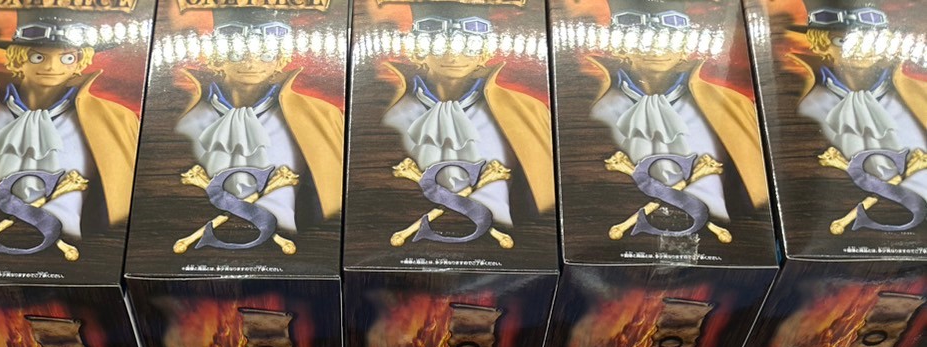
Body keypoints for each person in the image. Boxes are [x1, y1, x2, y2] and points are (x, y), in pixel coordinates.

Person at [584, 0, 769, 229]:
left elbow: (755, 193)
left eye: (669, 33)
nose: (656, 46)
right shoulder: (591, 108)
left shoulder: (732, 105)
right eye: (641, 35)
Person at [381, 2, 555, 230]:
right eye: (439, 44)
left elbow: (542, 198)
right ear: (418, 47)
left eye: (469, 44)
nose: (454, 56)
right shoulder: (387, 112)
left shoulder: (526, 111)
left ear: (484, 48)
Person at [0, 10, 139, 244]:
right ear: (18, 59)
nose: (51, 67)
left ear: (80, 62)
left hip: (78, 249)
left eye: (67, 58)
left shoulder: (116, 119)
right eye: (38, 57)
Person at [175, 9, 343, 237]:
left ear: (280, 57)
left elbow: (328, 198)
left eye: (266, 53)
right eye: (237, 52)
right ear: (217, 55)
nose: (251, 62)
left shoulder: (321, 116)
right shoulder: (182, 116)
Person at [791, 5, 927, 206]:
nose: (858, 49)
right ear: (821, 45)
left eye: (869, 39)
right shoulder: (809, 104)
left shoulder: (913, 96)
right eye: (842, 41)